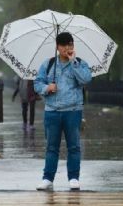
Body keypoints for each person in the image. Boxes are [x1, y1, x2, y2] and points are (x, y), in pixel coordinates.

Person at [34, 32, 92, 191]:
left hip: (73, 111)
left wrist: (74, 62)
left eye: (71, 44)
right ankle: (47, 179)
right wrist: (47, 88)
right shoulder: (49, 64)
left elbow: (86, 79)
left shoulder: (80, 63)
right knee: (51, 147)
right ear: (58, 47)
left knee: (74, 146)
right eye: (65, 45)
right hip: (52, 111)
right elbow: (37, 83)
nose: (68, 48)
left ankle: (73, 177)